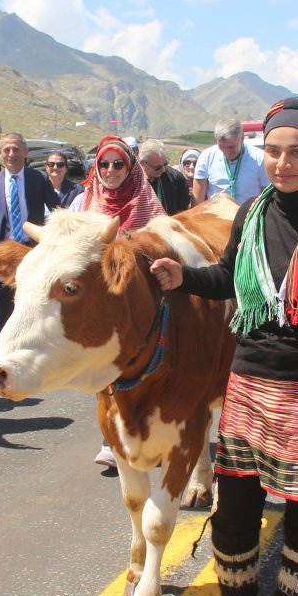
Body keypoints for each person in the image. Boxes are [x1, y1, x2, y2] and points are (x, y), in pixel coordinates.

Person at [150, 96, 298, 596]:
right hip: (248, 384)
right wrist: (183, 278)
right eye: (272, 151)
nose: (282, 163)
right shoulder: (252, 214)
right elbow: (229, 277)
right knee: (234, 516)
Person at [74, 134, 170, 469]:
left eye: (118, 164)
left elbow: (160, 242)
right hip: (100, 303)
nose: (110, 170)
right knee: (103, 365)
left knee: (144, 365)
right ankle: (110, 438)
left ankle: (149, 431)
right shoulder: (81, 203)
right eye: (104, 164)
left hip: (140, 299)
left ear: (130, 168)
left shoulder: (147, 198)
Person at [0, 132, 61, 337]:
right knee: (2, 312)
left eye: (16, 149)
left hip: (33, 255)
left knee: (33, 310)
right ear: (0, 153)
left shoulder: (39, 179)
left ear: (25, 152)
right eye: (6, 150)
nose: (11, 154)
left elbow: (58, 210)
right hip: (3, 257)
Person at [192, 118, 269, 206]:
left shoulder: (260, 158)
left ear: (242, 138)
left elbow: (266, 196)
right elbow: (197, 201)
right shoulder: (206, 157)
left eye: (231, 147)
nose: (226, 152)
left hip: (248, 216)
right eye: (221, 147)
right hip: (216, 217)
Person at [139, 139, 191, 215]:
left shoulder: (176, 178)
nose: (163, 170)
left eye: (165, 164)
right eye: (157, 168)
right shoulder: (131, 182)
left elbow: (184, 212)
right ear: (142, 163)